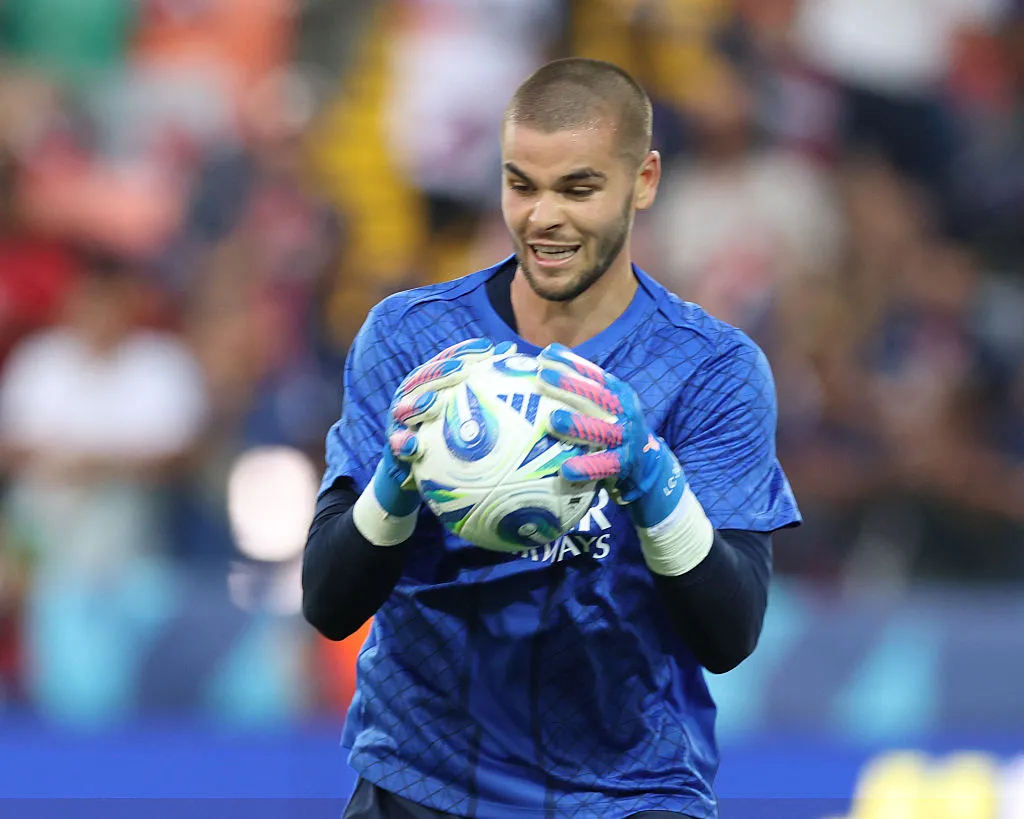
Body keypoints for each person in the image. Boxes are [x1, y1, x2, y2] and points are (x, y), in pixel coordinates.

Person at [303, 58, 801, 819]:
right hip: (422, 782)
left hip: (628, 793)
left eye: (578, 188)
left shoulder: (712, 368)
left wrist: (650, 477)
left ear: (644, 180)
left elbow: (729, 633)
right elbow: (329, 602)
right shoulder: (409, 338)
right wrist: (396, 483)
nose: (543, 218)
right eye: (521, 185)